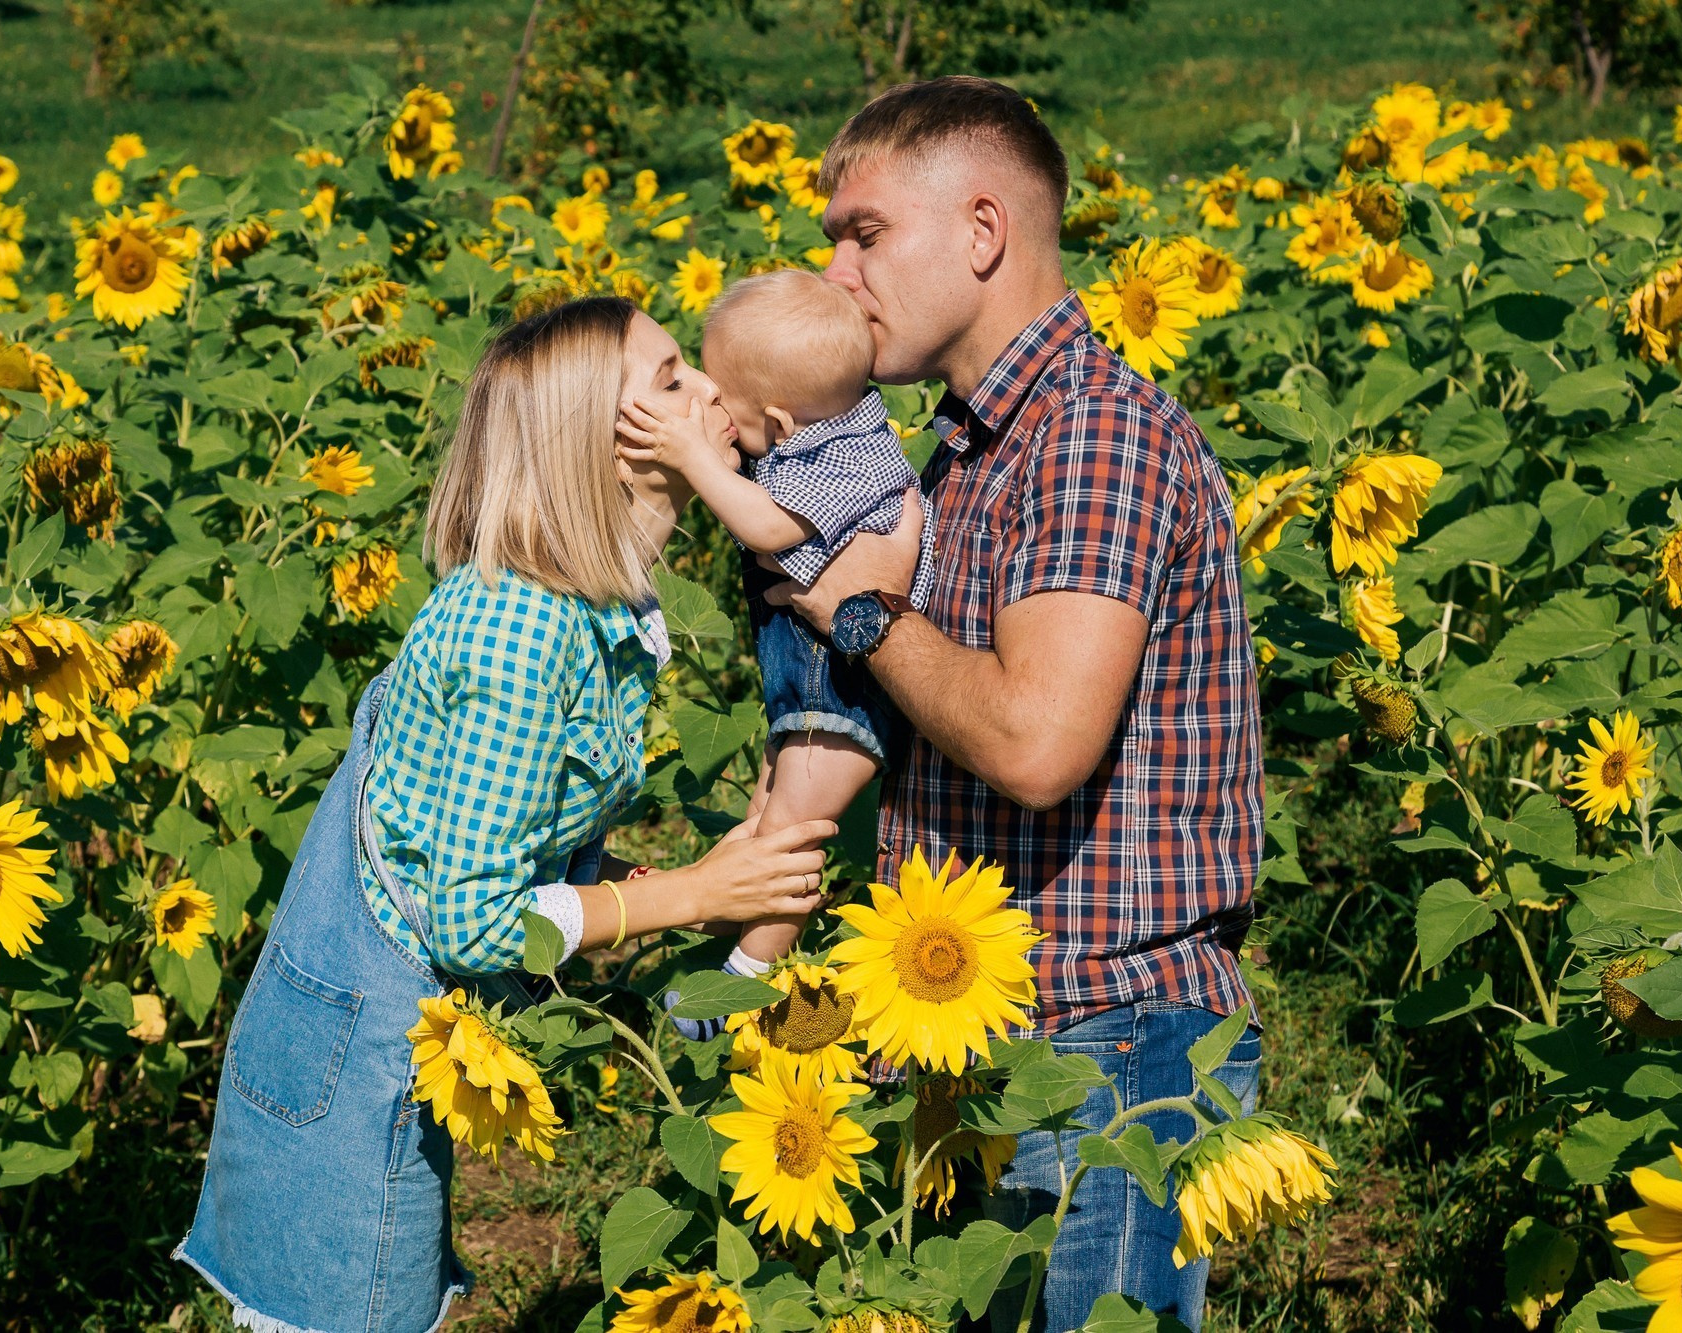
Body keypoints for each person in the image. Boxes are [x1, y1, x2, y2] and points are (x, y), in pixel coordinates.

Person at [176, 296, 835, 1333]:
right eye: (671, 378)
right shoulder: (523, 632)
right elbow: (471, 920)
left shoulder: (591, 605)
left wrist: (666, 883)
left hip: (387, 1037)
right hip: (362, 1068)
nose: (713, 391)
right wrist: (693, 894)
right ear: (601, 446)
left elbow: (490, 836)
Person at [769, 78, 1267, 1331]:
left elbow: (1036, 744)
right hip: (991, 1036)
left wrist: (860, 611)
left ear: (983, 230)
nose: (834, 272)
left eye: (864, 233)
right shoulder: (969, 449)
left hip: (1105, 1043)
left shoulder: (1090, 435)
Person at [615, 268, 934, 981]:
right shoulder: (820, 434)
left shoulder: (848, 458)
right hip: (812, 690)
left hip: (847, 698)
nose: (709, 400)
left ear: (782, 423)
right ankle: (714, 915)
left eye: (728, 405)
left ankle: (748, 973)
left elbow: (764, 528)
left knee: (792, 837)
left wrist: (692, 455)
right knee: (763, 826)